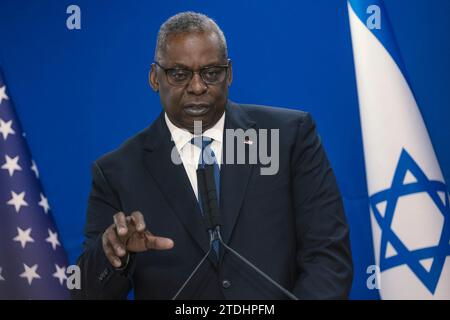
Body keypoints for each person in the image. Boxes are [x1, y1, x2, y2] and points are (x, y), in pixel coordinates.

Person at [74, 11, 353, 300]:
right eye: (179, 74)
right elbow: (85, 291)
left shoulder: (289, 137)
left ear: (228, 74)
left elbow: (328, 257)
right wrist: (112, 256)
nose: (197, 87)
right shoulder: (118, 171)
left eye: (211, 73)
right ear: (155, 78)